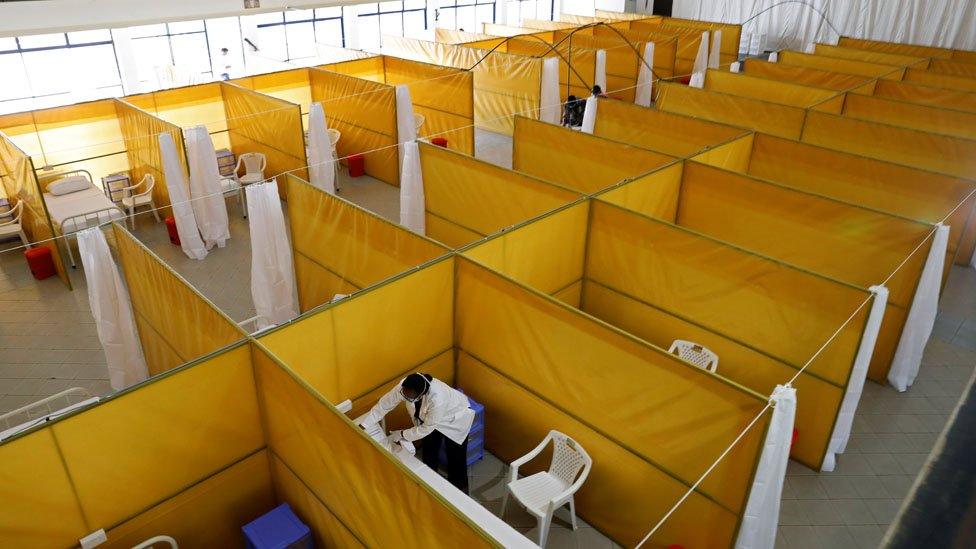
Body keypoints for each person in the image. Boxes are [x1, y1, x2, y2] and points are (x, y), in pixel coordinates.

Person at [359, 373, 475, 493]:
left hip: (453, 420)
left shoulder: (438, 398)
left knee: (456, 458)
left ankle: (460, 492)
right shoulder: (405, 386)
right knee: (429, 451)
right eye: (404, 393)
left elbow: (426, 429)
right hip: (429, 420)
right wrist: (363, 425)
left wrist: (401, 434)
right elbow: (384, 405)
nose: (405, 397)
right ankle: (430, 484)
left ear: (420, 395)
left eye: (410, 396)